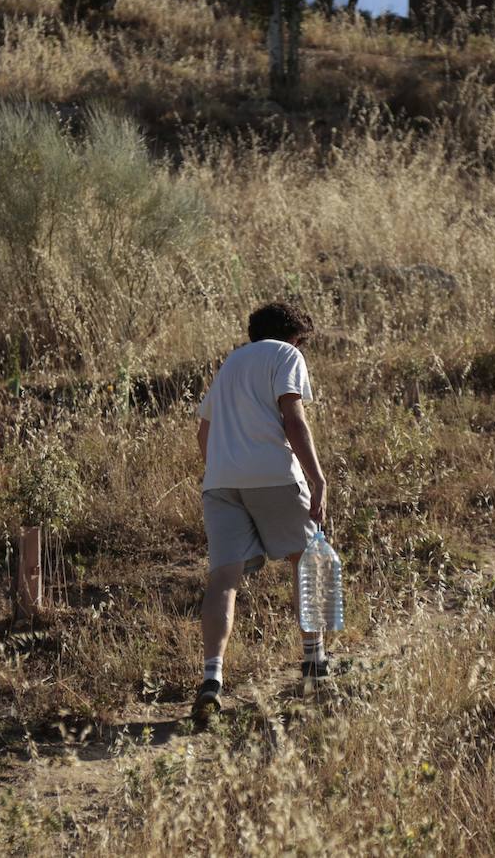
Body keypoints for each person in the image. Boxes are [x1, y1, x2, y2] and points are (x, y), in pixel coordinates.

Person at [191, 301, 329, 724]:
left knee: (223, 580)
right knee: (308, 560)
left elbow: (204, 430)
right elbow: (293, 418)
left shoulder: (230, 363)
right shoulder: (286, 354)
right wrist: (318, 478)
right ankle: (315, 664)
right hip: (274, 473)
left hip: (220, 480)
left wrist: (224, 468)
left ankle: (211, 680)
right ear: (294, 336)